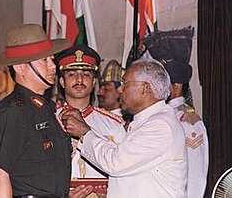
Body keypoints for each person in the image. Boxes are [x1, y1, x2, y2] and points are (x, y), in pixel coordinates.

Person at [61, 58, 188, 198]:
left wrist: (85, 133)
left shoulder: (160, 126)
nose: (120, 90)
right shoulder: (146, 122)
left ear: (145, 88)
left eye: (125, 83)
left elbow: (115, 163)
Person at [0, 23, 73, 198]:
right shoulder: (13, 112)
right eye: (44, 60)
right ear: (19, 67)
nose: (52, 66)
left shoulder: (45, 108)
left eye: (52, 59)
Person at [55, 45, 126, 197]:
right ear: (62, 82)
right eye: (72, 74)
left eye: (86, 74)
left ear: (94, 82)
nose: (79, 79)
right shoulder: (49, 121)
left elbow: (124, 171)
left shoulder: (114, 124)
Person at [162, 60, 209, 198]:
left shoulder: (188, 121)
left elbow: (195, 172)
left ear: (176, 88)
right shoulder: (162, 115)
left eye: (163, 85)